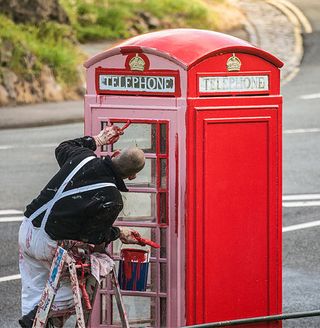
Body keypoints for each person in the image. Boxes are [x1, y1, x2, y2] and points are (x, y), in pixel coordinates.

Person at [18, 125, 145, 328]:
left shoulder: (82, 157)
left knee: (34, 289)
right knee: (68, 294)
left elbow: (62, 147)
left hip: (27, 230)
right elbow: (92, 236)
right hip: (50, 244)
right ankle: (32, 321)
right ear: (132, 176)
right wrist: (120, 232)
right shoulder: (111, 198)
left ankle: (33, 321)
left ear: (116, 153)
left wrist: (98, 139)